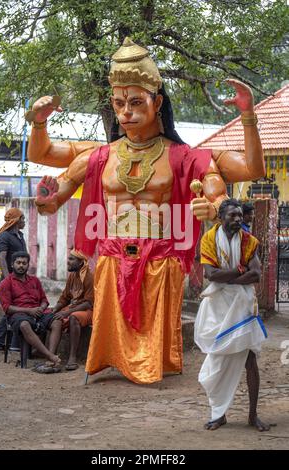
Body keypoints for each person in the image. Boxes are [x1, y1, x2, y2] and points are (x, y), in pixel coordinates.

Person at [27, 38, 265, 384]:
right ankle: (112, 361)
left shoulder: (188, 157)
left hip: (161, 257)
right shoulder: (98, 155)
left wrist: (247, 117)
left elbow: (250, 171)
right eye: (119, 103)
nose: (126, 112)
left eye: (136, 102)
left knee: (152, 319)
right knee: (113, 317)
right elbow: (45, 161)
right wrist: (38, 127)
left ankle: (151, 365)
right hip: (111, 256)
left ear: (157, 103)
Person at [194, 199, 270, 432]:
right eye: (233, 216)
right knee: (217, 358)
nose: (238, 219)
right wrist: (239, 272)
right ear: (221, 217)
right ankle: (219, 414)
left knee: (250, 360)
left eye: (240, 215)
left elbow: (256, 274)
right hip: (218, 305)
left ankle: (253, 415)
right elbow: (210, 274)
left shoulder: (249, 241)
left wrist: (231, 278)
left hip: (242, 304)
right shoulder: (208, 239)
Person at [0, 251, 62, 371]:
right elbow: (7, 307)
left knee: (57, 321)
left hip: (38, 312)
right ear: (12, 265)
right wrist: (29, 311)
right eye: (18, 263)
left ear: (28, 265)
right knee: (24, 324)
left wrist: (41, 308)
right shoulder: (6, 283)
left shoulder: (34, 281)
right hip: (18, 315)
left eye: (24, 263)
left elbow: (44, 300)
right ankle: (50, 356)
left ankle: (50, 359)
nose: (21, 265)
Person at [52, 249, 94, 371]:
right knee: (54, 317)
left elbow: (88, 303)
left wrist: (67, 312)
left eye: (71, 259)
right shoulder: (72, 276)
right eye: (68, 258)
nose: (68, 262)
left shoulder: (89, 277)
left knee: (74, 317)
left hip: (89, 311)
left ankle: (72, 357)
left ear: (81, 262)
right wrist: (55, 309)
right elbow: (65, 297)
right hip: (73, 308)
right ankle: (52, 356)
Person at [0, 208, 26, 352]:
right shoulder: (4, 236)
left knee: (14, 309)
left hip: (20, 280)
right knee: (10, 309)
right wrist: (8, 280)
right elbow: (1, 258)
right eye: (22, 218)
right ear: (16, 220)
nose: (24, 221)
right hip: (10, 280)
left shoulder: (20, 235)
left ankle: (4, 341)